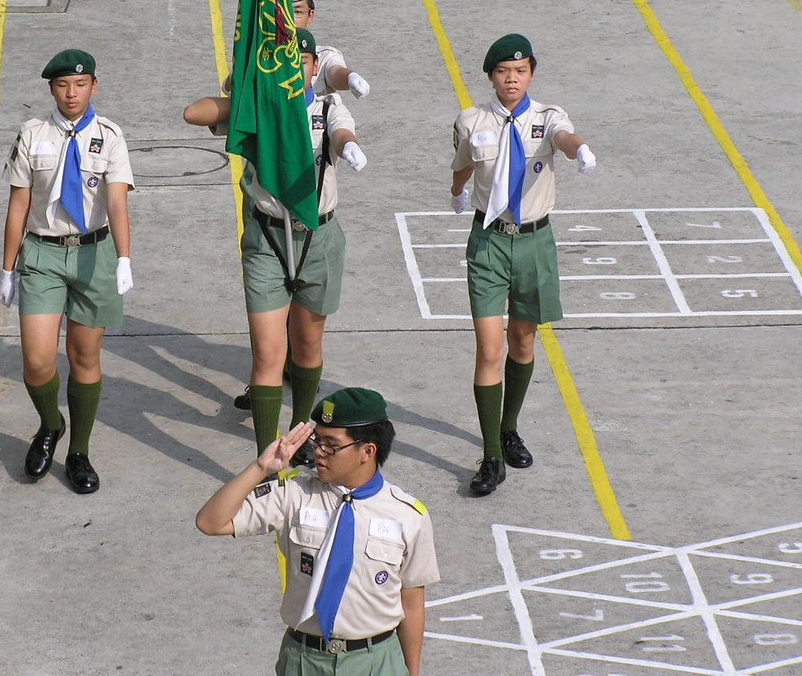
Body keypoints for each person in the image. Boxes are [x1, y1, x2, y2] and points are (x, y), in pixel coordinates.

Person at [184, 30, 368, 465]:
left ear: (314, 67)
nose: (295, 68)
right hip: (268, 239)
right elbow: (194, 113)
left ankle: (301, 431)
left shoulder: (327, 107)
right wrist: (245, 87)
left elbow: (341, 134)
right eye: (286, 60)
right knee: (269, 352)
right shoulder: (259, 109)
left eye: (303, 62)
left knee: (307, 346)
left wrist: (350, 148)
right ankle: (267, 456)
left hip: (317, 237)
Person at [196, 387, 439, 676]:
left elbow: (412, 604)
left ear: (368, 451)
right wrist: (261, 468)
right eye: (316, 441)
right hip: (304, 658)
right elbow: (210, 522)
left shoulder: (408, 515)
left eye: (331, 445)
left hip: (376, 661)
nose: (318, 452)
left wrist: (412, 672)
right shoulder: (294, 495)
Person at [449, 33, 597, 495]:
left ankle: (508, 427)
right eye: (503, 72)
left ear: (531, 74)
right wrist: (456, 191)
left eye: (520, 71)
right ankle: (492, 455)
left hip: (534, 242)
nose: (511, 79)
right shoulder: (472, 120)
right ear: (490, 77)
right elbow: (463, 162)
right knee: (490, 349)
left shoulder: (547, 117)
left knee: (523, 342)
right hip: (489, 242)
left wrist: (579, 149)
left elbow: (563, 138)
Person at [0, 49, 134, 494]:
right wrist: (7, 268)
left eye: (80, 84)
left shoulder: (110, 136)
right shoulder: (32, 133)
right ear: (51, 89)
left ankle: (79, 451)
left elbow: (117, 201)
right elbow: (18, 205)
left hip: (94, 253)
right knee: (37, 360)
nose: (71, 93)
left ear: (94, 85)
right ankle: (50, 423)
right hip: (43, 254)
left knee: (84, 356)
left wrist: (124, 257)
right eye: (62, 85)